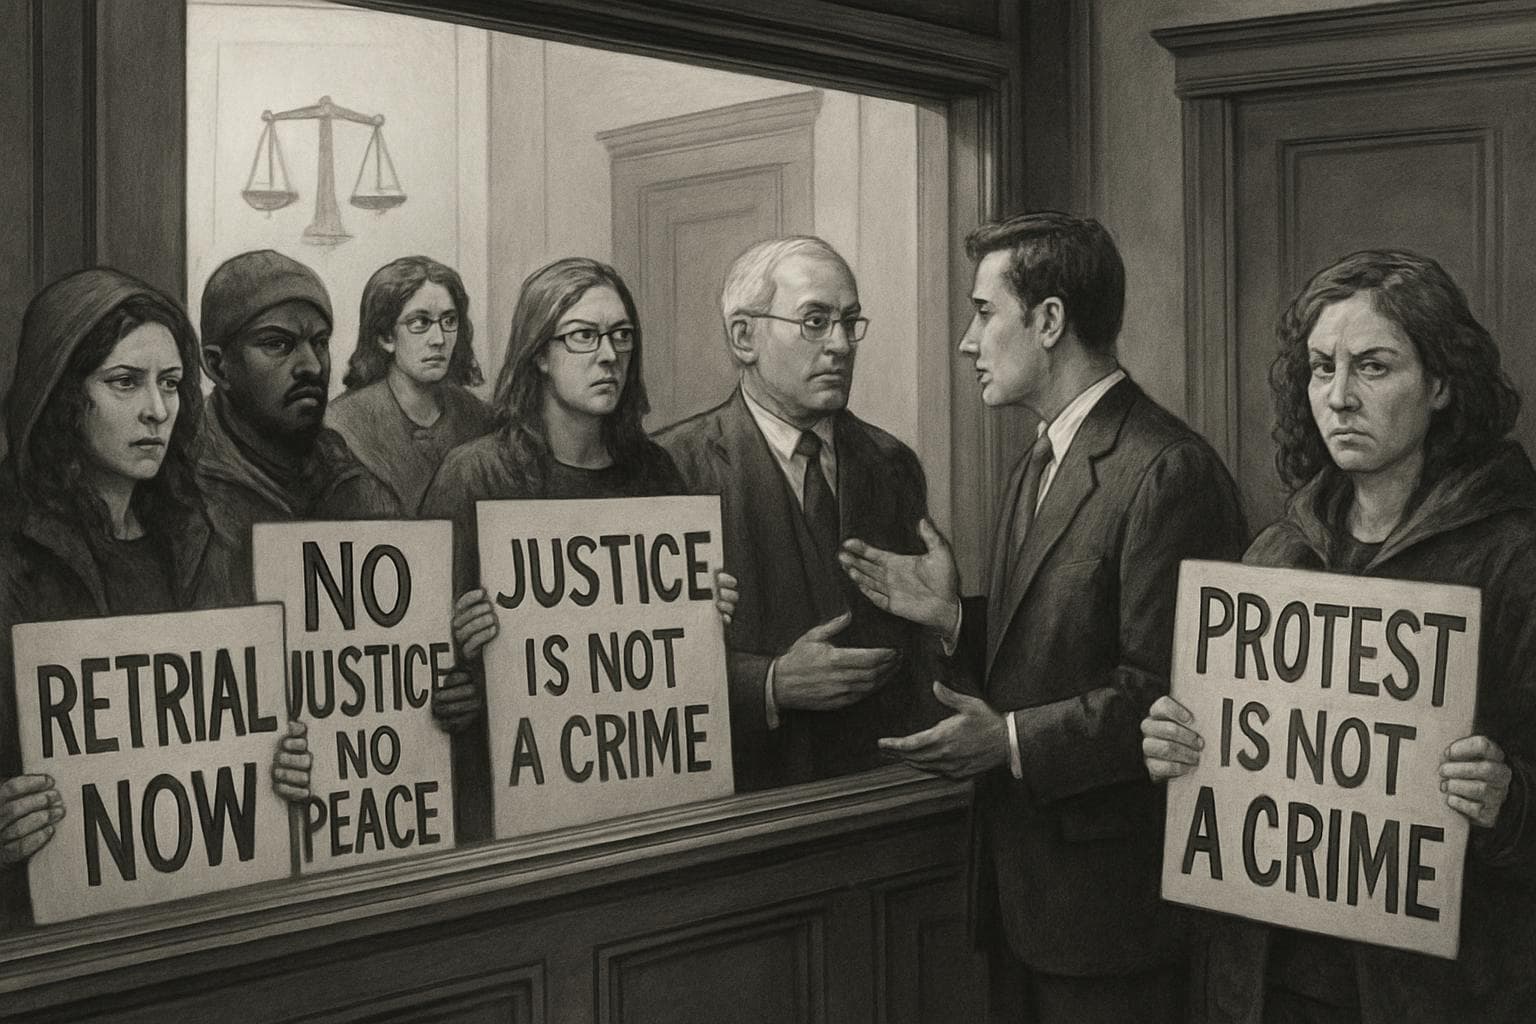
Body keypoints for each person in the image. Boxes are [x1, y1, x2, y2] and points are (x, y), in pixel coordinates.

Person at [837, 212, 1248, 1023]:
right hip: (1025, 902)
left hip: (1114, 922)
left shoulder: (1169, 472)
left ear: (1050, 320)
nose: (967, 339)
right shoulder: (1038, 458)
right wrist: (952, 616)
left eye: (984, 312)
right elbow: (1062, 649)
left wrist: (1011, 740)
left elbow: (1171, 698)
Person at [1141, 249, 1536, 1023]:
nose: (1341, 397)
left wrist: (1510, 798)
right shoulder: (1274, 552)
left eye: (1374, 367)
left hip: (1433, 994)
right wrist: (1180, 745)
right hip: (1267, 984)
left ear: (1443, 384)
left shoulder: (1515, 561)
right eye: (1322, 368)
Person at [0, 268, 312, 930]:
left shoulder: (206, 536)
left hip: (200, 921)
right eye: (124, 382)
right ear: (63, 395)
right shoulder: (8, 551)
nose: (157, 410)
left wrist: (276, 761)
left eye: (170, 383)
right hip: (52, 941)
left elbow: (235, 722)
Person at [420, 256, 737, 840]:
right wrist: (459, 646)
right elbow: (423, 664)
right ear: (540, 353)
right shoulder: (475, 476)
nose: (609, 355)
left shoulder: (654, 471)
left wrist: (704, 612)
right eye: (583, 336)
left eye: (621, 336)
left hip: (641, 792)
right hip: (515, 808)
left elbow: (674, 658)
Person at [654, 235, 947, 793]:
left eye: (849, 322)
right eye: (814, 321)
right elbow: (639, 673)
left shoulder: (891, 464)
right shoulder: (672, 468)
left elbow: (921, 652)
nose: (839, 344)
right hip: (745, 801)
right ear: (745, 336)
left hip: (883, 794)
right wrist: (769, 683)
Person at [195, 249, 398, 594]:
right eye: (278, 344)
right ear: (217, 366)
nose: (313, 367)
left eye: (319, 343)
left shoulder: (350, 482)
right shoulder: (174, 486)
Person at [327, 255, 494, 514]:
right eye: (420, 323)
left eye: (449, 321)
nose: (438, 339)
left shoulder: (478, 416)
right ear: (386, 336)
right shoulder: (341, 424)